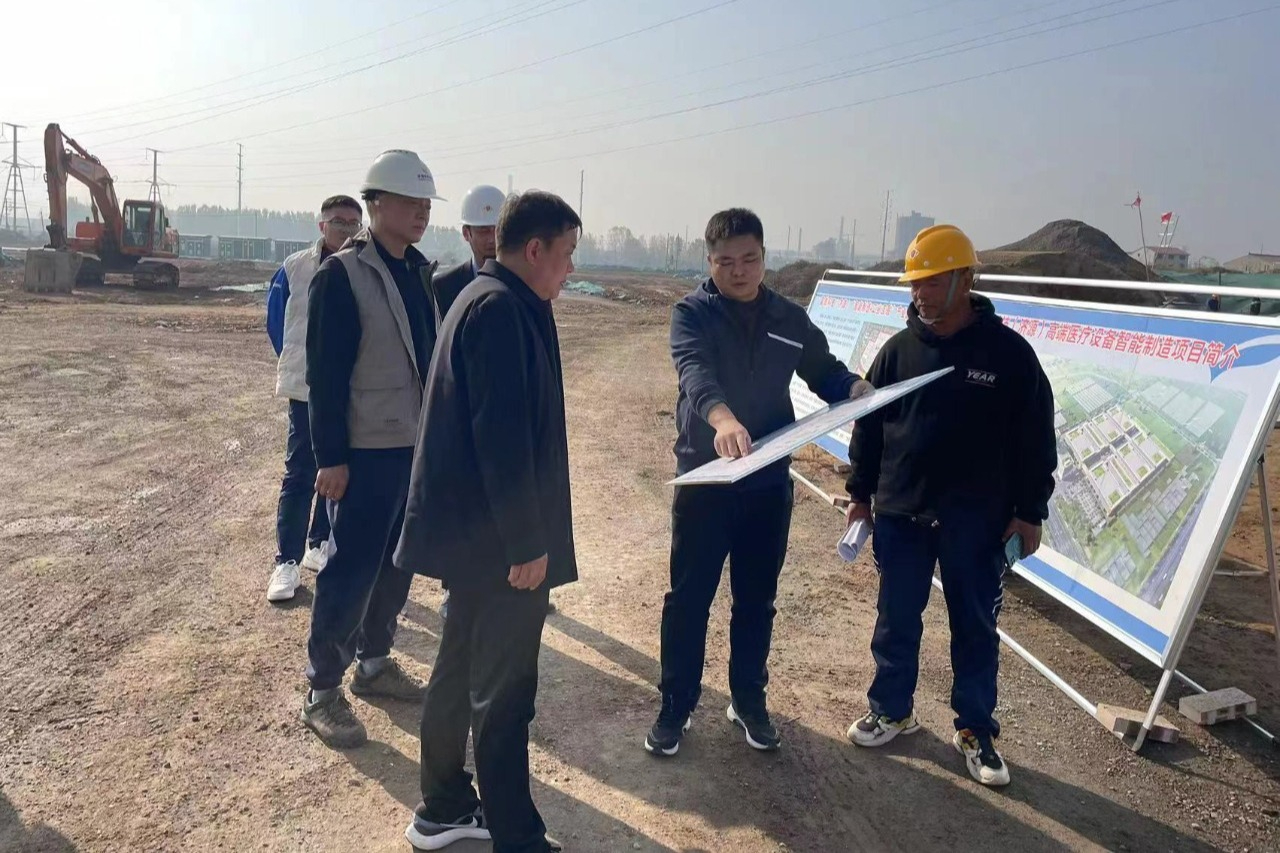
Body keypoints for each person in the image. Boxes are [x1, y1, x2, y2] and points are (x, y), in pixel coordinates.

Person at [645, 208, 873, 758]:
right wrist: (722, 419)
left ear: (764, 257)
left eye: (749, 259)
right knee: (689, 599)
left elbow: (823, 370)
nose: (739, 271)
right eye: (726, 261)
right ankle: (676, 704)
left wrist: (855, 388)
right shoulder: (692, 314)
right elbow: (695, 373)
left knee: (756, 600)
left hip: (767, 483)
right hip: (706, 481)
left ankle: (748, 700)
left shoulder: (787, 317)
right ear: (709, 261)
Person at [394, 190, 580, 852]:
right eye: (567, 254)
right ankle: (515, 835)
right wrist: (528, 542)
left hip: (477, 539)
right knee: (504, 694)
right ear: (534, 249)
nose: (571, 269)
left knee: (457, 670)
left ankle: (443, 804)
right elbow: (502, 439)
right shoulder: (499, 309)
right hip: (500, 544)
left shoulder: (493, 297)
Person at [843, 224, 1057, 788]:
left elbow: (1036, 440)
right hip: (902, 515)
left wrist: (1030, 511)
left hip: (976, 522)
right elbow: (869, 430)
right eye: (915, 284)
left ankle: (975, 730)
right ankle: (892, 710)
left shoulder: (1009, 356)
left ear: (965, 279)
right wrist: (860, 496)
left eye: (932, 282)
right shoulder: (897, 352)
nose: (920, 293)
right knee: (896, 619)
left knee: (975, 627)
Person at [299, 150, 447, 748]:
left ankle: (375, 662)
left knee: (397, 562)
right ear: (376, 204)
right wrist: (330, 458)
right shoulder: (342, 276)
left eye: (426, 204)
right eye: (411, 202)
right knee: (352, 570)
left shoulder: (417, 271)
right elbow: (324, 376)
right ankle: (322, 690)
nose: (422, 213)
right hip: (363, 453)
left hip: (411, 445)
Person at [430, 184, 556, 621]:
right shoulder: (458, 290)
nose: (489, 239)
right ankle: (461, 589)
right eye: (481, 231)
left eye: (494, 229)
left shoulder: (528, 290)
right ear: (466, 234)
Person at [264, 195, 363, 603]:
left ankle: (318, 542)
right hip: (307, 390)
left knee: (336, 465)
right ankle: (286, 561)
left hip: (352, 389)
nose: (346, 230)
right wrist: (302, 366)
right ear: (321, 226)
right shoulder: (295, 268)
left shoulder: (365, 267)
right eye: (338, 222)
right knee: (300, 471)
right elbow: (277, 322)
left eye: (354, 223)